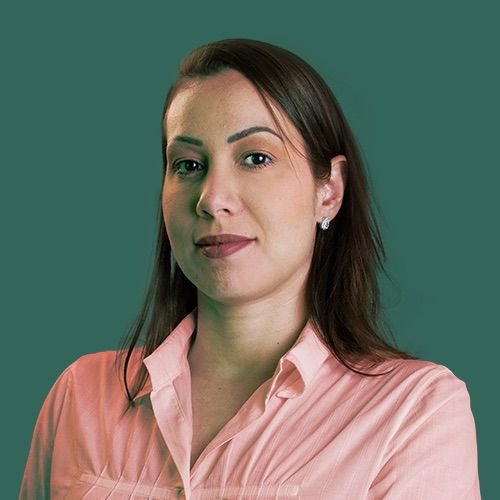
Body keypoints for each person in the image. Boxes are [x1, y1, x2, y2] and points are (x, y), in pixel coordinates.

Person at [20, 38, 481, 499]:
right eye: (188, 165)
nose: (212, 199)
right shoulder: (79, 396)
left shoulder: (413, 412)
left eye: (256, 158)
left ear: (330, 191)